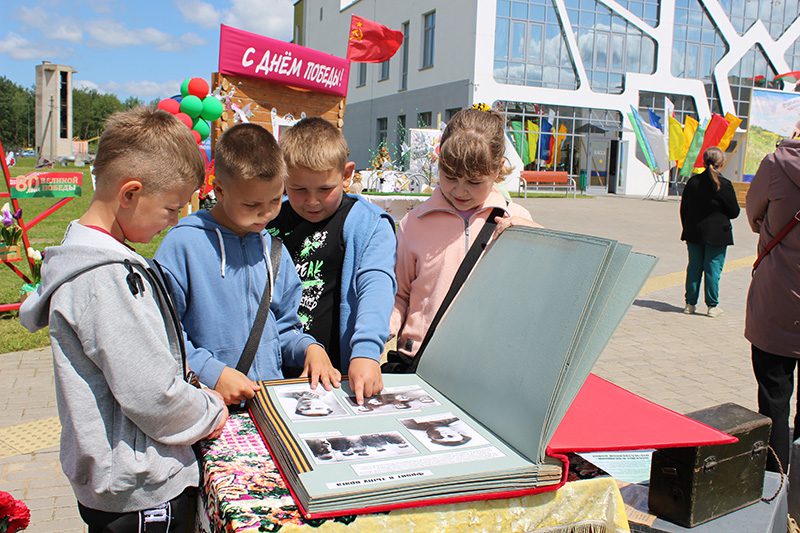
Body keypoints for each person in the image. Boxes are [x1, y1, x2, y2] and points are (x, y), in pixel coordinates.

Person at [19, 107, 228, 532]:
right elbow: (152, 394)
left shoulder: (91, 260)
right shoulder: (105, 278)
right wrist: (211, 411)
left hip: (117, 486)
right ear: (129, 193)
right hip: (141, 493)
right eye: (170, 208)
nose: (174, 221)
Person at [155, 123, 339, 406]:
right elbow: (163, 334)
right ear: (219, 190)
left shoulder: (274, 250)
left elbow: (285, 329)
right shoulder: (183, 245)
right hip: (206, 407)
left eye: (276, 200)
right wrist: (212, 372)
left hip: (269, 405)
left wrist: (309, 347)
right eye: (252, 205)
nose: (266, 213)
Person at [390, 108, 538, 364]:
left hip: (489, 361)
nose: (460, 190)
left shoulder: (516, 219)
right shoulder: (413, 223)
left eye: (474, 181)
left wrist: (537, 238)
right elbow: (399, 294)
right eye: (450, 177)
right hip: (421, 359)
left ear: (498, 169)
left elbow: (539, 290)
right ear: (439, 162)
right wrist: (380, 329)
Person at [266, 117, 397, 404]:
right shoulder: (269, 219)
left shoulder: (369, 224)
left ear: (347, 174)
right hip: (271, 370)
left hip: (339, 374)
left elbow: (376, 287)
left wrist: (365, 351)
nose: (312, 201)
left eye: (325, 189)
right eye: (298, 189)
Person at [745, 122, 800, 472]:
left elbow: (753, 216)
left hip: (778, 298)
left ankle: (776, 487)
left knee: (775, 401)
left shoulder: (776, 162)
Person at [679, 146, 740, 317]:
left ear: (704, 161)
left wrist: (687, 227)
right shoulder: (725, 185)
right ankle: (712, 307)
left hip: (694, 232)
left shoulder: (693, 182)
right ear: (721, 163)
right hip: (718, 234)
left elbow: (684, 209)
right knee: (713, 269)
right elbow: (734, 212)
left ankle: (689, 304)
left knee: (694, 268)